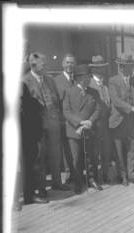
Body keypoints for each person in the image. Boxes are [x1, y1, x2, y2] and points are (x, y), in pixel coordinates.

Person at [21, 52, 66, 204]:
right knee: (39, 158)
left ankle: (57, 182)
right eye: (43, 64)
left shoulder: (50, 80)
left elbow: (57, 100)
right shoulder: (25, 81)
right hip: (37, 126)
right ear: (33, 65)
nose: (45, 66)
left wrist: (59, 119)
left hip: (53, 122)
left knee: (55, 154)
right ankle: (41, 190)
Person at [63, 64, 101, 194]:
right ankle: (78, 184)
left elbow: (98, 109)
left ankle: (92, 180)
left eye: (89, 76)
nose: (89, 79)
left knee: (91, 157)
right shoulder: (69, 92)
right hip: (74, 131)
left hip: (89, 129)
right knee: (76, 159)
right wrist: (80, 122)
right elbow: (66, 111)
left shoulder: (93, 92)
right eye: (87, 76)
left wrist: (90, 121)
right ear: (80, 78)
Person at [108, 53, 134, 186]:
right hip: (118, 121)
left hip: (132, 121)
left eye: (132, 66)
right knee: (119, 150)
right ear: (121, 67)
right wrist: (132, 108)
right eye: (128, 67)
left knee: (133, 149)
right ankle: (122, 175)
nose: (131, 69)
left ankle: (133, 175)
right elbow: (116, 101)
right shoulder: (113, 81)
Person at [88, 55, 113, 186]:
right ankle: (94, 177)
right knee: (94, 152)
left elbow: (109, 102)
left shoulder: (106, 83)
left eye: (102, 68)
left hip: (106, 122)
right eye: (97, 68)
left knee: (106, 150)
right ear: (92, 70)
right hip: (95, 123)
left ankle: (105, 174)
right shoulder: (90, 84)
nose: (100, 70)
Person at [54, 53, 76, 184]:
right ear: (62, 64)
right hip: (64, 121)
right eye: (67, 62)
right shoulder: (56, 80)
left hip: (77, 119)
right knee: (67, 148)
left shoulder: (77, 79)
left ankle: (78, 172)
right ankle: (69, 173)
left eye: (72, 62)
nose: (70, 65)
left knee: (76, 149)